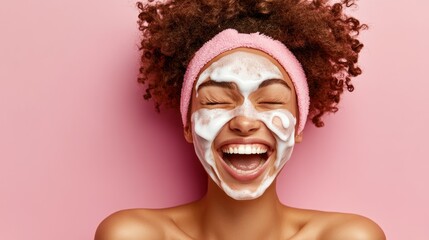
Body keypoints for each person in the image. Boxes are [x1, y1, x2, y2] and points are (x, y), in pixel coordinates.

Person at [95, 0, 386, 239]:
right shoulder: (134, 235)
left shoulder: (349, 236)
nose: (244, 122)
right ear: (187, 125)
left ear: (298, 125)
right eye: (216, 101)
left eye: (271, 101)